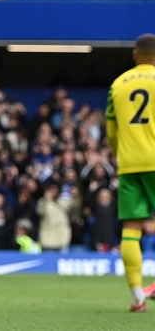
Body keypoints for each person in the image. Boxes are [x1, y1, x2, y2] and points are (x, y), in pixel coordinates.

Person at [105, 33, 155, 311]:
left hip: (129, 163)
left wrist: (121, 153)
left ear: (135, 55)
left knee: (131, 229)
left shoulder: (118, 84)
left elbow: (111, 131)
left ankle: (137, 297)